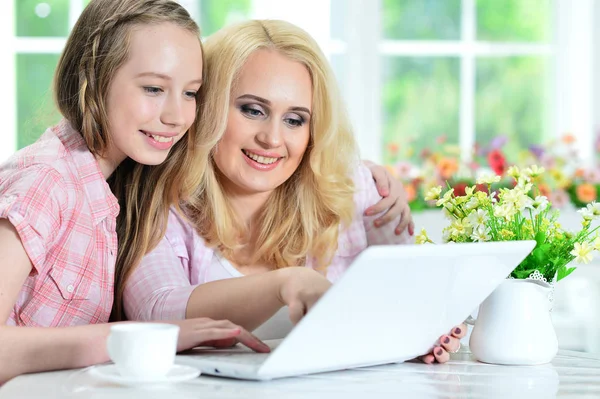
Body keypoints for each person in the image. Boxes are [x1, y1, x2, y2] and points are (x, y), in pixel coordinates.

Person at [122, 19, 465, 364]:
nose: (272, 139)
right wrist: (285, 283)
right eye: (253, 110)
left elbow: (405, 302)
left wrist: (420, 332)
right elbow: (154, 315)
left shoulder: (356, 192)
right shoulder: (154, 199)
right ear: (207, 107)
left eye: (294, 120)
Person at [0, 0, 271, 384]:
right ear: (93, 76)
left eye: (191, 93)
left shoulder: (118, 184)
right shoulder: (46, 181)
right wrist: (148, 338)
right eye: (154, 88)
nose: (176, 116)